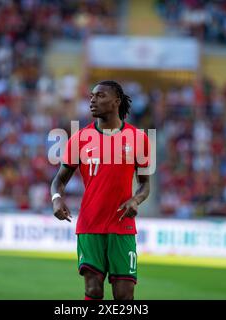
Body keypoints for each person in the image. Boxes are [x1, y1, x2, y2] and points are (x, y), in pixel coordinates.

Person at [50, 80, 151, 300]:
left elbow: (145, 184)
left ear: (117, 101)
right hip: (90, 223)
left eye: (100, 96)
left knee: (124, 295)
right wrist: (56, 198)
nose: (93, 100)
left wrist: (136, 199)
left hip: (122, 225)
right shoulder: (79, 138)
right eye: (91, 96)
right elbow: (59, 180)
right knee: (93, 290)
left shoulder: (139, 139)